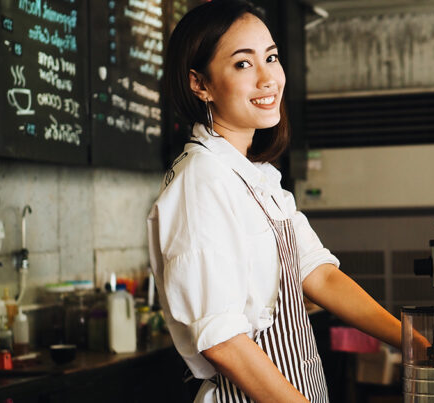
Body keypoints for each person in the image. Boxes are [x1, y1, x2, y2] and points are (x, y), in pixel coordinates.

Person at [147, 1, 402, 401]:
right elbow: (223, 341)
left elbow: (318, 274)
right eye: (243, 64)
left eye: (271, 57)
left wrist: (416, 341)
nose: (268, 78)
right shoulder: (201, 180)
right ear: (201, 84)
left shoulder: (256, 176)